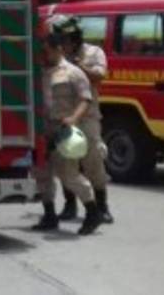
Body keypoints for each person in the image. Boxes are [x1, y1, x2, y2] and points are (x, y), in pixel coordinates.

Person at [32, 33, 102, 235]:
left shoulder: (73, 72)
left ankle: (92, 211)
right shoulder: (38, 72)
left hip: (63, 129)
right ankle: (49, 215)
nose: (43, 54)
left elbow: (85, 99)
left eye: (46, 50)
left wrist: (73, 118)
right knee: (42, 173)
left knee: (69, 175)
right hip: (42, 129)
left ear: (58, 49)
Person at [48, 15, 114, 224]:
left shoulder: (93, 52)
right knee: (65, 162)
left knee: (93, 160)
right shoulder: (55, 57)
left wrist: (76, 65)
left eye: (66, 39)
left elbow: (98, 77)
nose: (64, 43)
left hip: (87, 117)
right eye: (60, 40)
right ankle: (70, 205)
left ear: (75, 37)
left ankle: (102, 206)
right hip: (63, 119)